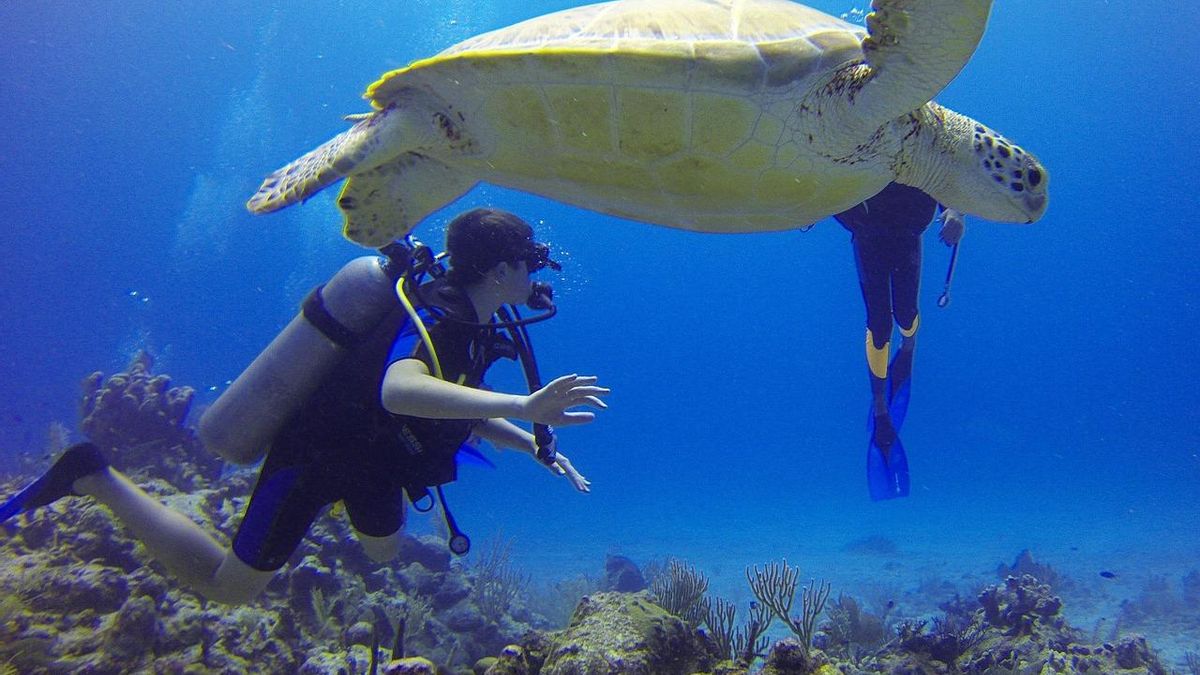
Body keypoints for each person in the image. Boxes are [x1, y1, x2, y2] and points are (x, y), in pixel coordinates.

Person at [0, 208, 609, 604]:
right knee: (231, 591)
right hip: (317, 455)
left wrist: (530, 443)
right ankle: (91, 476)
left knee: (384, 552)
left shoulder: (474, 318)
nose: (538, 273)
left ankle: (313, 524)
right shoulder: (442, 317)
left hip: (376, 459)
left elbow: (457, 403)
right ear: (501, 269)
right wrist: (526, 404)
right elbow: (400, 389)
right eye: (531, 261)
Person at [834, 183, 965, 500]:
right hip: (868, 230)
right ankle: (880, 408)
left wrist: (954, 212)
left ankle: (909, 348)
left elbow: (943, 164)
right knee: (879, 325)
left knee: (905, 315)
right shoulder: (854, 135)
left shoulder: (923, 134)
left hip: (906, 228)